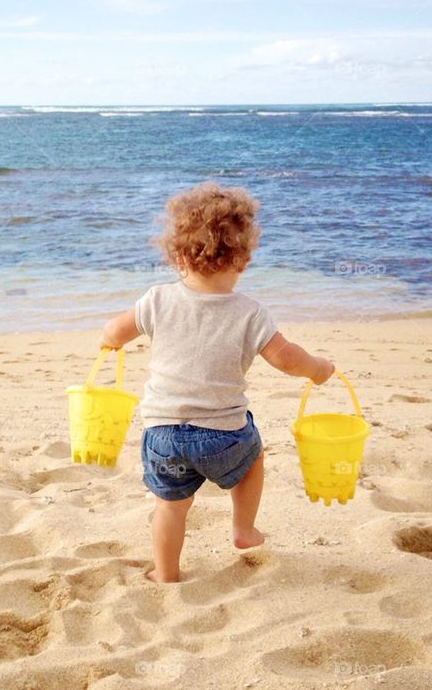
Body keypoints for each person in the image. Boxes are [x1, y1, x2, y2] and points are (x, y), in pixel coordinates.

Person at [99, 182, 334, 583]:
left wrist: (110, 340)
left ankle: (166, 573)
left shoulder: (157, 299)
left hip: (163, 435)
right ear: (243, 260)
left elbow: (114, 332)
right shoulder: (249, 312)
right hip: (225, 436)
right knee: (254, 457)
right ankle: (243, 529)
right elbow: (286, 358)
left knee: (170, 507)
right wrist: (317, 368)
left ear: (177, 256)